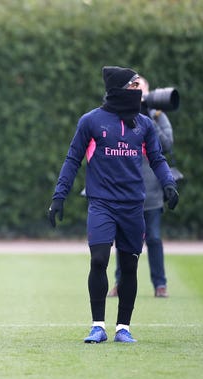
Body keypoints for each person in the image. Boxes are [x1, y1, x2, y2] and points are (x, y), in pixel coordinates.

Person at [48, 66, 179, 344]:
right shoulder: (91, 121)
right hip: (101, 203)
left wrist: (169, 184)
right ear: (119, 88)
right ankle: (98, 326)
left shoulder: (145, 124)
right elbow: (73, 159)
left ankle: (123, 327)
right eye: (133, 85)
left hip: (133, 206)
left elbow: (157, 158)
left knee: (129, 266)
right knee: (98, 259)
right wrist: (59, 196)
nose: (138, 90)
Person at [108, 76, 175, 298]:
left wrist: (149, 116)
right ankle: (120, 283)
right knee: (123, 240)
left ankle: (160, 284)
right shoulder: (120, 118)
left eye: (142, 91)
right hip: (125, 192)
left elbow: (167, 145)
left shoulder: (157, 116)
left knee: (154, 238)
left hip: (152, 191)